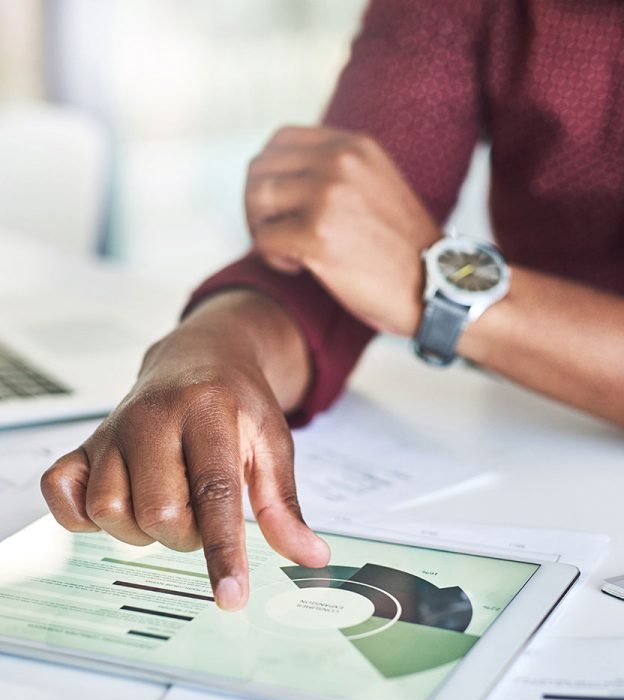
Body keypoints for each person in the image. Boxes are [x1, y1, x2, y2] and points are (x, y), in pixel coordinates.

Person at [41, 0, 624, 611]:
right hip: (543, 453)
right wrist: (210, 350)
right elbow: (337, 245)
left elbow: (397, 267)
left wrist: (432, 288)